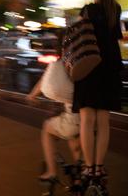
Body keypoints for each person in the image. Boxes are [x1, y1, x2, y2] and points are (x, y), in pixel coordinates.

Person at [72, 0, 123, 179]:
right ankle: (99, 168)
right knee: (103, 120)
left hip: (89, 66)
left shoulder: (87, 11)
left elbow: (77, 38)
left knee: (87, 119)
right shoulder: (116, 9)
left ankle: (88, 167)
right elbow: (116, 39)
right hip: (110, 69)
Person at [26, 32, 81, 181]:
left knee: (47, 129)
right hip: (89, 117)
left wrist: (32, 96)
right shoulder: (84, 61)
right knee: (74, 139)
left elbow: (44, 82)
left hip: (74, 117)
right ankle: (80, 177)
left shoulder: (60, 64)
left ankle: (51, 172)